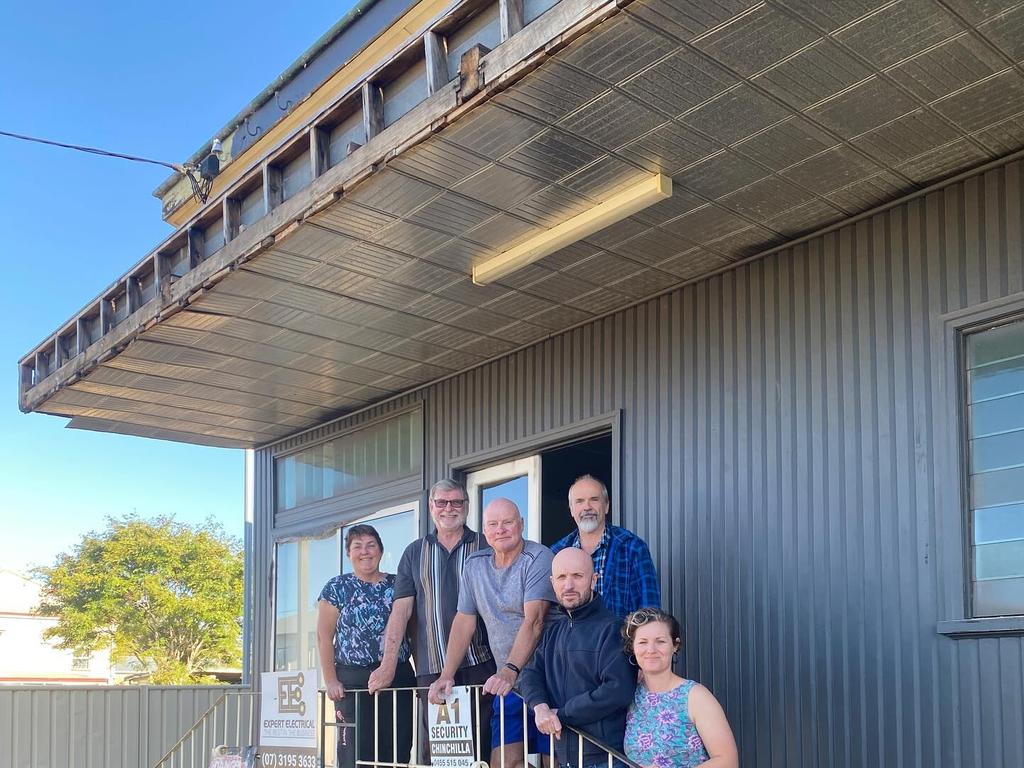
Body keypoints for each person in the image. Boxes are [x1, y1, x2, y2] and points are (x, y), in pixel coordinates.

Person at [368, 479, 495, 758]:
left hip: (480, 664)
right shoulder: (414, 552)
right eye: (442, 502)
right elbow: (401, 611)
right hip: (431, 668)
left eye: (456, 502)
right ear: (431, 506)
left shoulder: (486, 545)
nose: (449, 508)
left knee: (481, 750)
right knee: (438, 753)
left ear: (466, 506)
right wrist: (387, 665)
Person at [428, 498, 554, 768]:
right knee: (504, 763)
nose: (501, 529)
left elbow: (535, 620)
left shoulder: (539, 557)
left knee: (553, 761)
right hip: (508, 684)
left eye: (508, 522)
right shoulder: (475, 564)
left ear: (521, 524)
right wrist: (446, 674)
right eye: (493, 524)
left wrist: (510, 669)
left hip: (548, 683)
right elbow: (464, 621)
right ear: (485, 531)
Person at [519, 547, 636, 768]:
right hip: (566, 758)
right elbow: (531, 673)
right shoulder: (554, 632)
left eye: (577, 576)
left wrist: (563, 714)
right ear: (553, 583)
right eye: (562, 577)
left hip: (606, 758)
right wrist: (540, 707)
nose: (568, 585)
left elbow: (617, 690)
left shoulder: (612, 630)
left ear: (593, 580)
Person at [316, 524, 414, 768]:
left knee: (397, 750)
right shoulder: (336, 587)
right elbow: (324, 637)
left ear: (381, 551)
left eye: (371, 545)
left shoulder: (398, 584)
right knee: (355, 753)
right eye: (357, 546)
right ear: (349, 553)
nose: (365, 552)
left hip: (397, 676)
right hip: (353, 682)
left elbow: (413, 631)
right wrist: (331, 681)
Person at [622, 609, 738, 768]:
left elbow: (727, 761)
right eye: (643, 642)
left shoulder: (695, 697)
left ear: (675, 645)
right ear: (633, 648)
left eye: (660, 641)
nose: (651, 650)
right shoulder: (630, 693)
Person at [551, 475, 660, 619]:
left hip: (620, 640)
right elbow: (550, 612)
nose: (587, 507)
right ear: (571, 510)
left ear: (607, 506)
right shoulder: (557, 552)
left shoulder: (633, 548)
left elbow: (650, 609)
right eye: (579, 501)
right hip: (571, 641)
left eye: (594, 499)